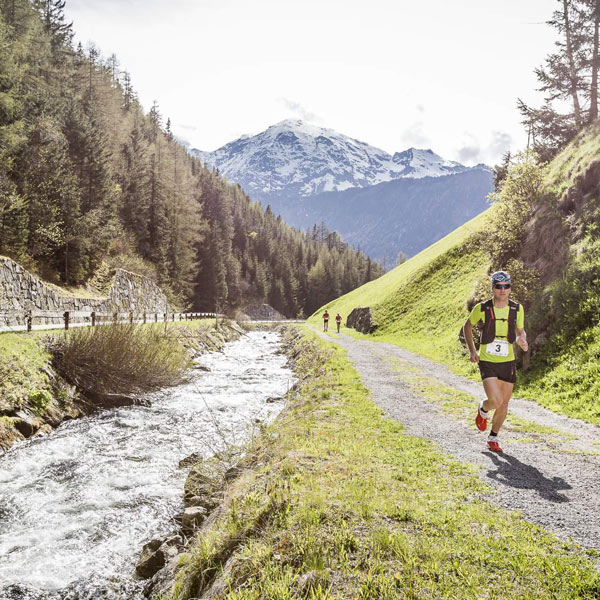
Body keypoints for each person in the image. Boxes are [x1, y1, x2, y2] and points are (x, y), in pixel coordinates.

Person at [462, 271, 528, 453]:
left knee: (504, 404)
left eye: (506, 286)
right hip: (488, 360)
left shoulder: (517, 309)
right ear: (492, 288)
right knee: (496, 400)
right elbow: (467, 326)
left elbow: (520, 331)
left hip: (508, 361)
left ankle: (493, 438)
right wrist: (472, 351)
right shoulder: (482, 308)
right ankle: (483, 409)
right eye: (499, 286)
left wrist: (523, 340)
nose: (503, 290)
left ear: (510, 288)